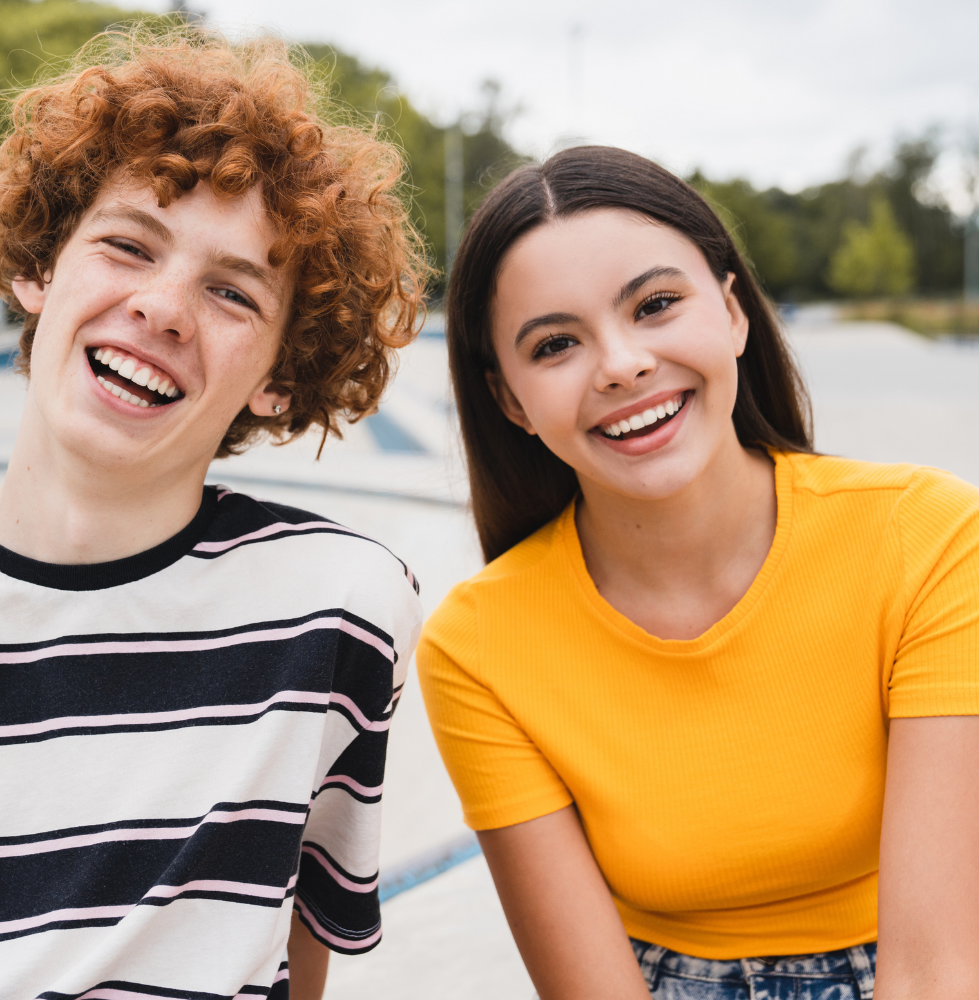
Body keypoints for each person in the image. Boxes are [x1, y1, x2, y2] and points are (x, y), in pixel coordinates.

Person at [0, 26, 426, 1000]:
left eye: (232, 292)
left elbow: (298, 949)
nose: (163, 308)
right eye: (128, 244)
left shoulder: (337, 611)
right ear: (39, 267)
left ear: (280, 380)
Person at [418, 145, 979, 1000]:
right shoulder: (477, 647)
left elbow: (937, 971)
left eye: (656, 305)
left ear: (733, 313)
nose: (621, 363)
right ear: (509, 401)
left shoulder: (929, 537)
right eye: (557, 343)